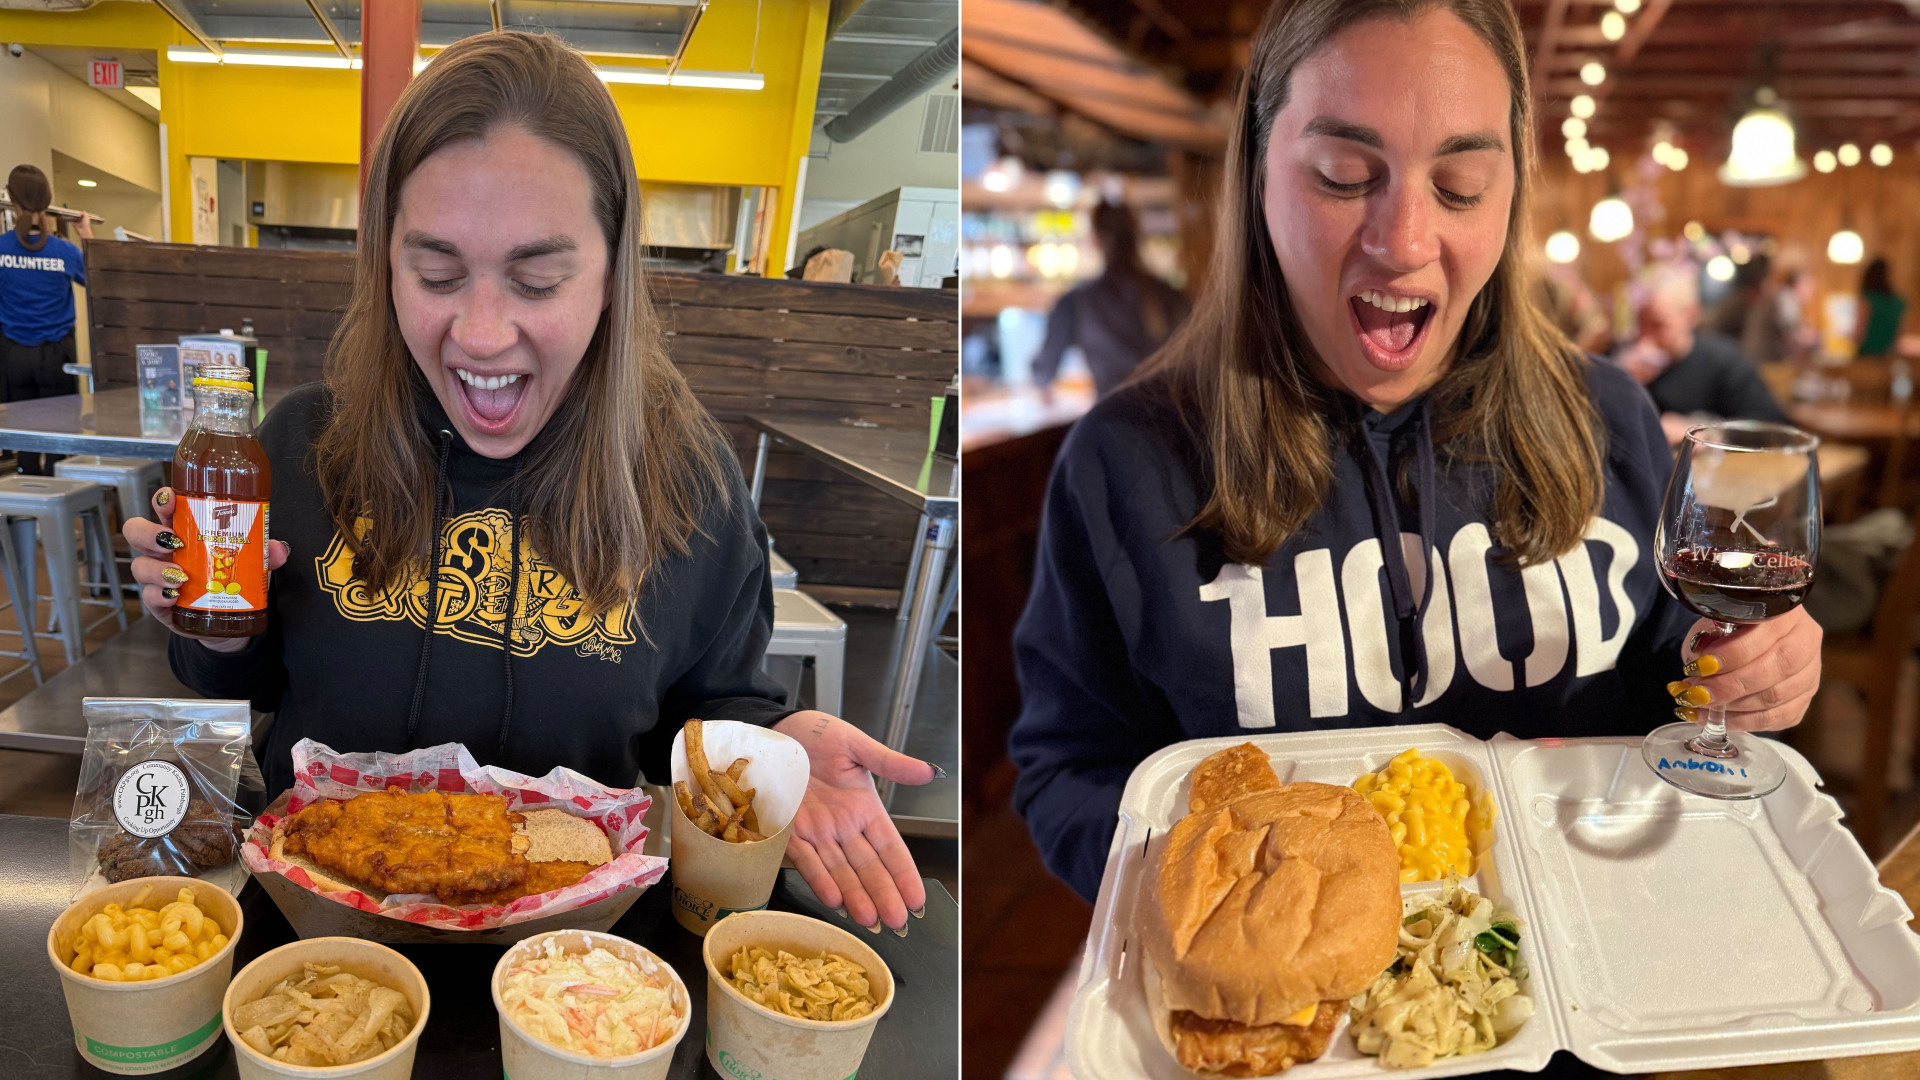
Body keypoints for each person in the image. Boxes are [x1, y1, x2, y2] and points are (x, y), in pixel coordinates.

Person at [1008, 0, 1820, 914]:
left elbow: (1683, 679)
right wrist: (1200, 892)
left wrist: (1752, 675)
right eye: (1344, 176)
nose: (1404, 243)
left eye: (1462, 185)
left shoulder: (1612, 418)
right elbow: (1068, 771)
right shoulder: (1125, 460)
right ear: (1258, 179)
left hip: (1586, 981)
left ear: (1511, 192)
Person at [121, 32, 933, 934]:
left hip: (575, 975)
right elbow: (233, 682)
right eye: (435, 272)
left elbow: (709, 703)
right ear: (384, 260)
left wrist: (767, 748)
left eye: (537, 279)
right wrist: (207, 623)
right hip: (315, 945)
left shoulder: (687, 477)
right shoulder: (306, 443)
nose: (479, 334)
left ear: (612, 273)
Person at [1616, 260, 1787, 446]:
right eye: (1640, 324)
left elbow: (1772, 424)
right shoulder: (1625, 362)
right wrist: (1621, 383)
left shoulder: (1724, 360)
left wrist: (1704, 434)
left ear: (1690, 314)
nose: (1645, 337)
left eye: (1658, 325)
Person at [1030, 200, 1191, 398]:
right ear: (1136, 234)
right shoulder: (1170, 295)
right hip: (1172, 417)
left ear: (1095, 240)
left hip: (1113, 421)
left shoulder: (1079, 301)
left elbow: (1043, 372)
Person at [0, 163, 90, 473]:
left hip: (15, 357)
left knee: (24, 438)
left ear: (11, 198)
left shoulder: (2, 249)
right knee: (59, 439)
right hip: (57, 358)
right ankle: (60, 503)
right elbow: (99, 284)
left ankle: (28, 508)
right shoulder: (65, 252)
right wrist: (86, 236)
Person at [1856, 257, 1907, 359]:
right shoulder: (1898, 302)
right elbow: (1898, 336)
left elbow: (1859, 333)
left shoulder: (1867, 299)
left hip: (1865, 357)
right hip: (1887, 357)